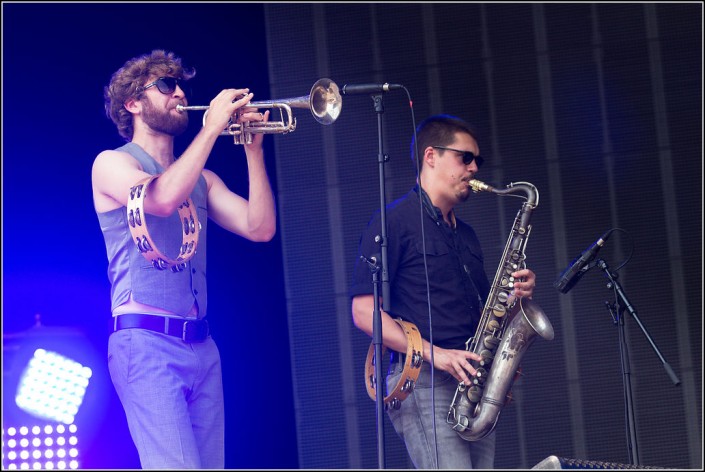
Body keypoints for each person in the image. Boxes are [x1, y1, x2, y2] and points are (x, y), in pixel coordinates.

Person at [92, 49, 276, 469]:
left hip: (201, 346)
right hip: (146, 344)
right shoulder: (111, 164)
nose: (178, 94)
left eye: (179, 85)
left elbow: (260, 227)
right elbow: (160, 198)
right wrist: (211, 129)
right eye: (165, 85)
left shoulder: (202, 180)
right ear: (132, 103)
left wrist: (253, 150)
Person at [350, 114, 536, 469]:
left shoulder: (466, 235)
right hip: (424, 383)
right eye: (465, 158)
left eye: (477, 161)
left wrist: (516, 297)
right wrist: (439, 356)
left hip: (471, 385)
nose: (473, 168)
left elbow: (487, 316)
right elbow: (363, 314)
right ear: (431, 156)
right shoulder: (392, 222)